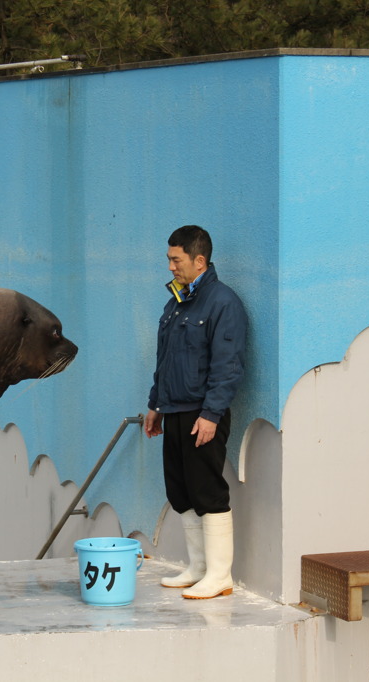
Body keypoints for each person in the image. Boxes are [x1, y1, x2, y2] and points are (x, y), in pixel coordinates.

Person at [144, 225, 248, 600]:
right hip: (174, 410)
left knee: (207, 491)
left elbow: (228, 365)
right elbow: (165, 360)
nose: (171, 266)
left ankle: (220, 575)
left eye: (176, 259)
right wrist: (156, 405)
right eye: (170, 259)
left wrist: (212, 413)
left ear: (198, 260)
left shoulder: (222, 302)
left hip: (202, 414)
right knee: (181, 491)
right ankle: (198, 567)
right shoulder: (176, 302)